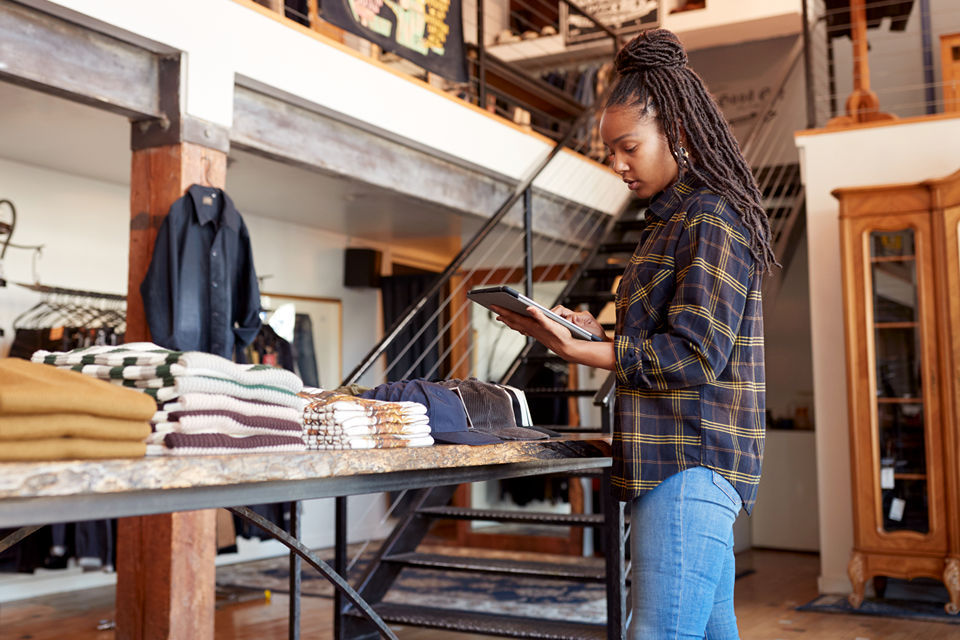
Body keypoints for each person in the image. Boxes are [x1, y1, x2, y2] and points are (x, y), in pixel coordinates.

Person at [491, 28, 774, 639]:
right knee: (709, 631)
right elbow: (671, 333)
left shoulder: (710, 216)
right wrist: (592, 331)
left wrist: (582, 350)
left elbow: (696, 353)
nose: (616, 164)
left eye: (628, 147)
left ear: (677, 128)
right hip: (678, 460)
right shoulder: (669, 222)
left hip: (686, 459)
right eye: (609, 151)